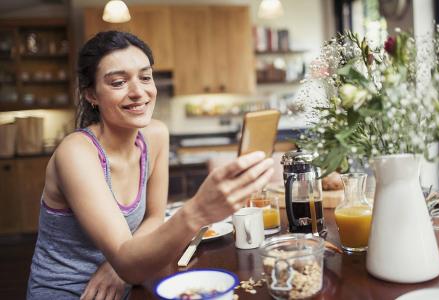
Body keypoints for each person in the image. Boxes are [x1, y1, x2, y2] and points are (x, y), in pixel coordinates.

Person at [27, 31, 274, 299]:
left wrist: (117, 264)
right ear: (91, 95)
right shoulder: (75, 153)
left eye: (145, 77)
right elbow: (128, 261)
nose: (138, 92)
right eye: (119, 82)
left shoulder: (155, 135)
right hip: (68, 292)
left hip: (126, 284)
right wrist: (197, 211)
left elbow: (154, 217)